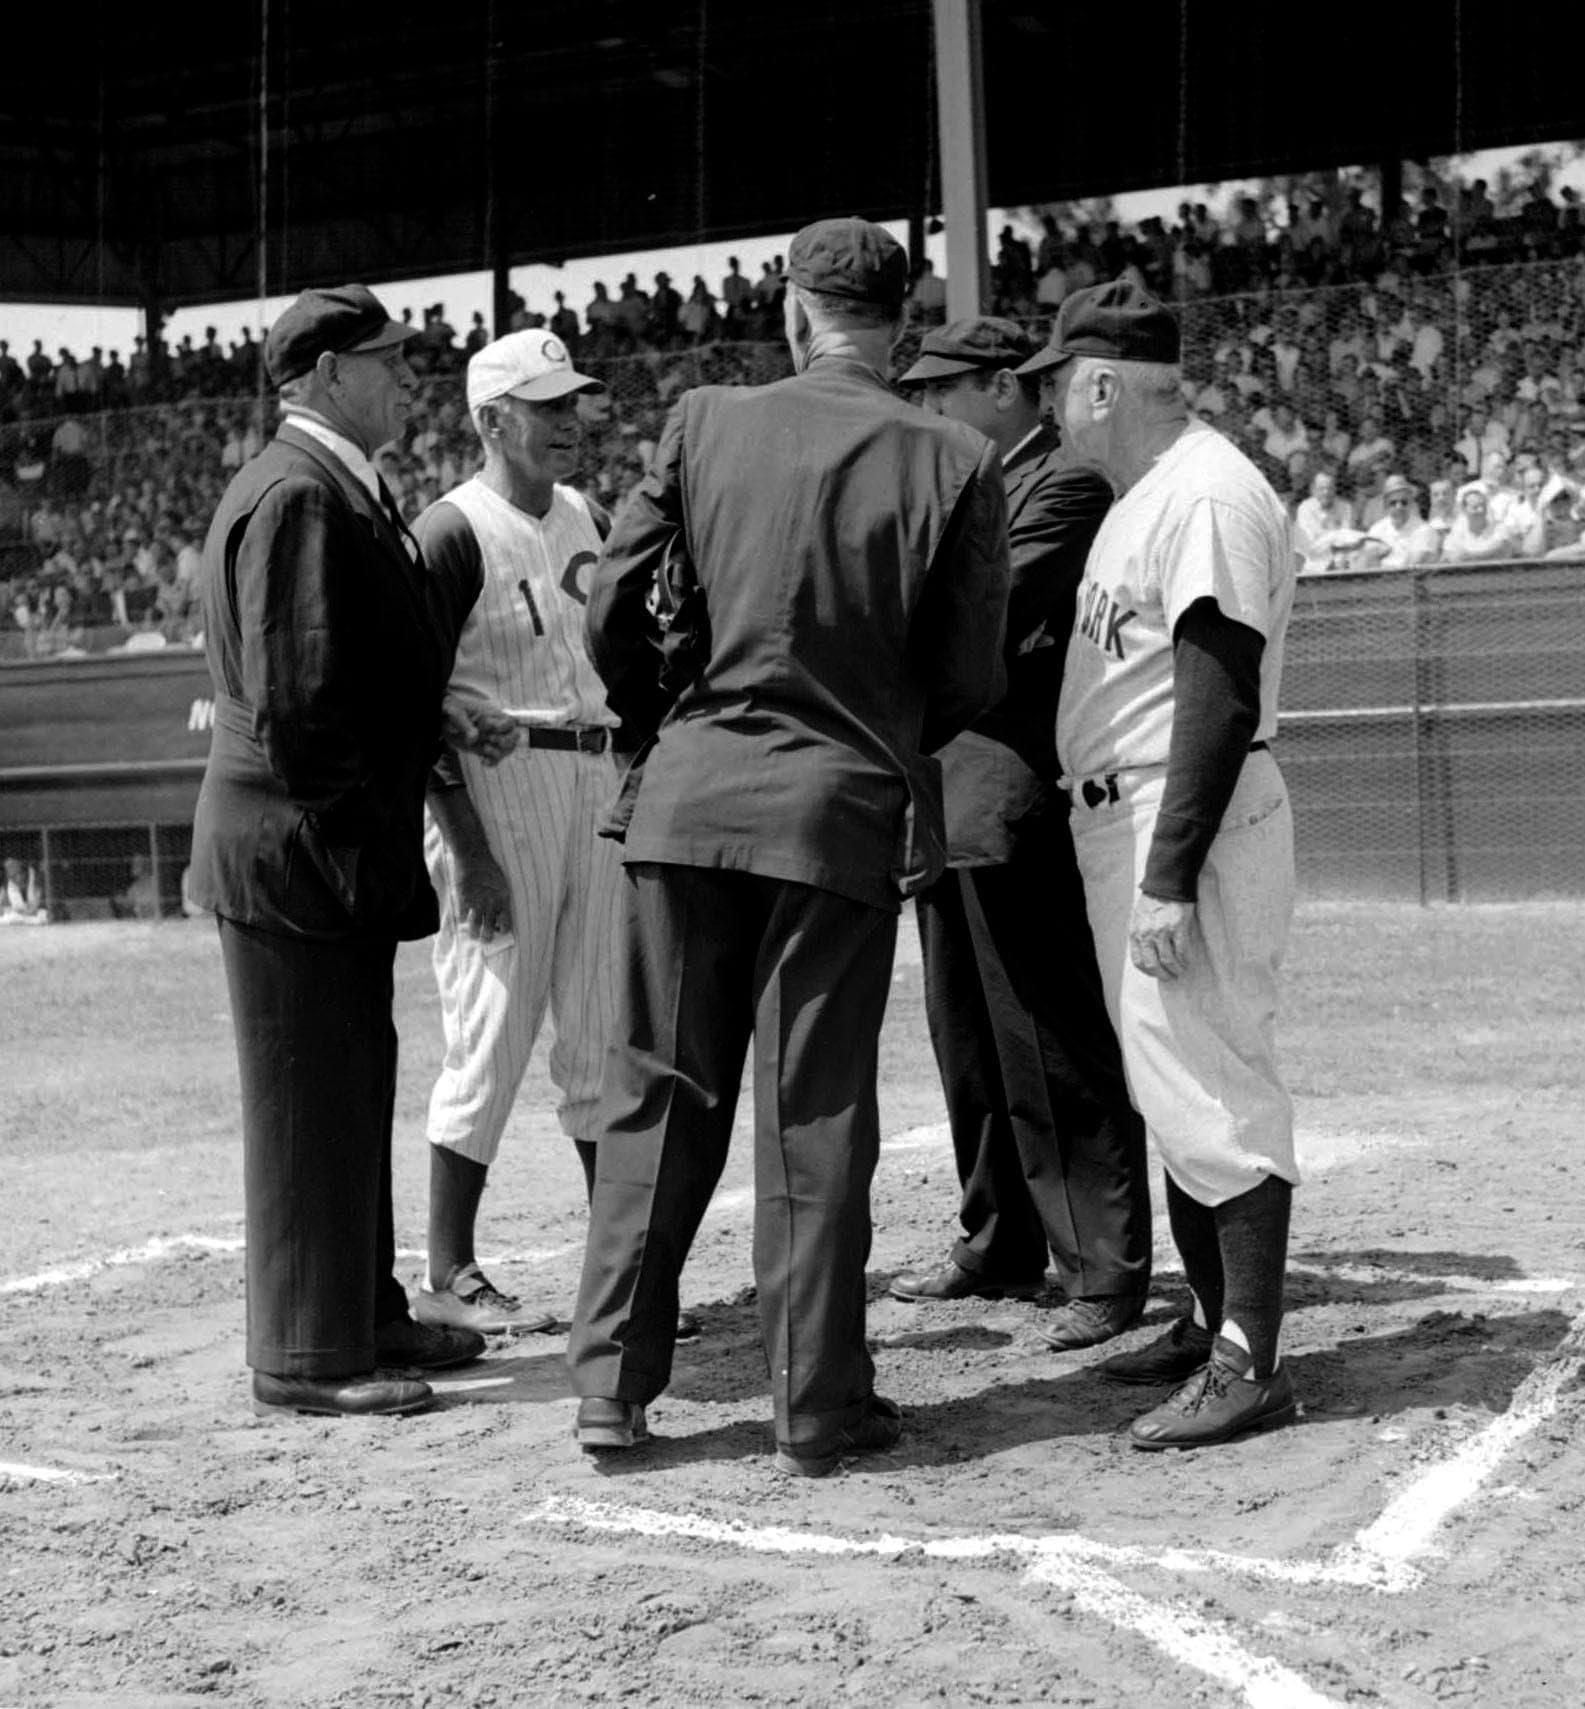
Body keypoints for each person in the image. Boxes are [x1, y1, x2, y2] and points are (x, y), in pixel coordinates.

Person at [566, 217, 1011, 1476]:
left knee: (654, 1098)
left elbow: (613, 598)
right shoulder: (957, 456)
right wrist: (879, 721)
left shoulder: (705, 418)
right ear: (901, 321)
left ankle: (609, 1390)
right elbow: (971, 670)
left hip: (687, 799)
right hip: (837, 811)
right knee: (813, 1115)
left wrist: (665, 710)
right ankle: (814, 1407)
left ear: (791, 310)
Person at [188, 284, 518, 1420]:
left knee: (348, 1080)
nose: (405, 379)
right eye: (387, 361)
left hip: (313, 839)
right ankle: (305, 1354)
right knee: (305, 1096)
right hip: (299, 846)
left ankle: (363, 1311)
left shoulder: (327, 482)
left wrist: (434, 720)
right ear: (328, 374)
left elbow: (349, 675)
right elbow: (298, 705)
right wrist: (353, 837)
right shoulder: (297, 493)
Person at [1017, 280, 1301, 1449]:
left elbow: (1219, 691)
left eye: (1054, 378)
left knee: (1210, 1073)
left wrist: (1171, 872)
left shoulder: (1206, 491)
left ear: (1098, 384)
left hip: (1179, 812)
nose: (1043, 397)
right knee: (1168, 1078)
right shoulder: (1143, 494)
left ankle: (1251, 1356)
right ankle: (1215, 1316)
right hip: (1123, 810)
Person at [887, 316, 1153, 1348]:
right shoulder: (979, 485)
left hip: (1009, 788)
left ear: (1001, 387)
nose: (924, 411)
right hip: (944, 790)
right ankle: (998, 1237)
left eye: (940, 391)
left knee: (1045, 1035)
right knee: (968, 1038)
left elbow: (981, 612)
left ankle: (1101, 1260)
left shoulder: (1064, 484)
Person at [414, 329, 630, 1337]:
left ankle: (613, 1253)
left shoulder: (587, 511)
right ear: (490, 417)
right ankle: (450, 1264)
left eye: (572, 403)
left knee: (597, 1027)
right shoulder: (451, 531)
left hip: (596, 774)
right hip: (499, 787)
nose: (567, 423)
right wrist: (466, 847)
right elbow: (412, 704)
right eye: (544, 407)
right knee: (491, 1029)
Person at [1362, 474, 1442, 568]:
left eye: (1404, 502)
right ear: (1386, 505)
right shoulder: (1376, 530)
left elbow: (1413, 565)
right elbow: (1368, 563)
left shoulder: (1425, 530)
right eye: (1393, 503)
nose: (1399, 507)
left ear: (1411, 503)